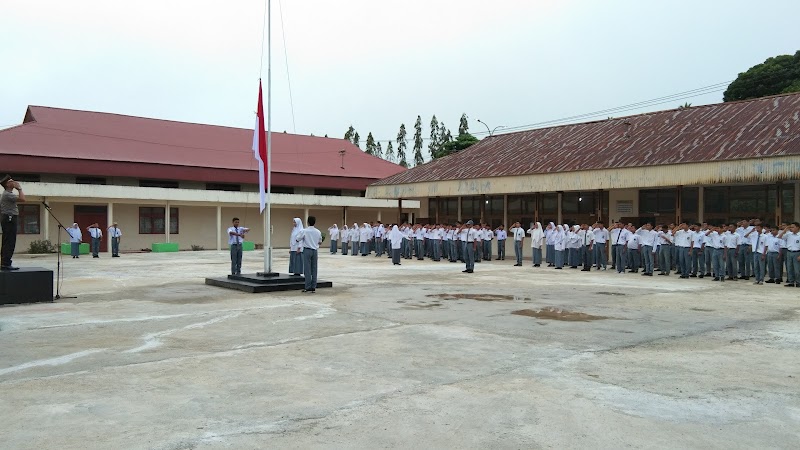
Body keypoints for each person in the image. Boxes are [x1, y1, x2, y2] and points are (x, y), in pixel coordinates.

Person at [1, 175, 25, 270]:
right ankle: (6, 263)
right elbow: (23, 199)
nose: (14, 182)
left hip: (7, 218)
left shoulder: (7, 194)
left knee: (7, 240)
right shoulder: (7, 194)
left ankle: (5, 262)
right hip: (9, 218)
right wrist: (19, 189)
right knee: (10, 241)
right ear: (7, 184)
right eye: (11, 181)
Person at [295, 215, 322, 293]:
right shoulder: (318, 231)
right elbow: (320, 242)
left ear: (307, 222)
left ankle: (307, 286)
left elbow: (297, 239)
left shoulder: (305, 231)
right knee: (314, 268)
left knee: (307, 269)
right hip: (315, 250)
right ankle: (313, 286)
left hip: (307, 250)